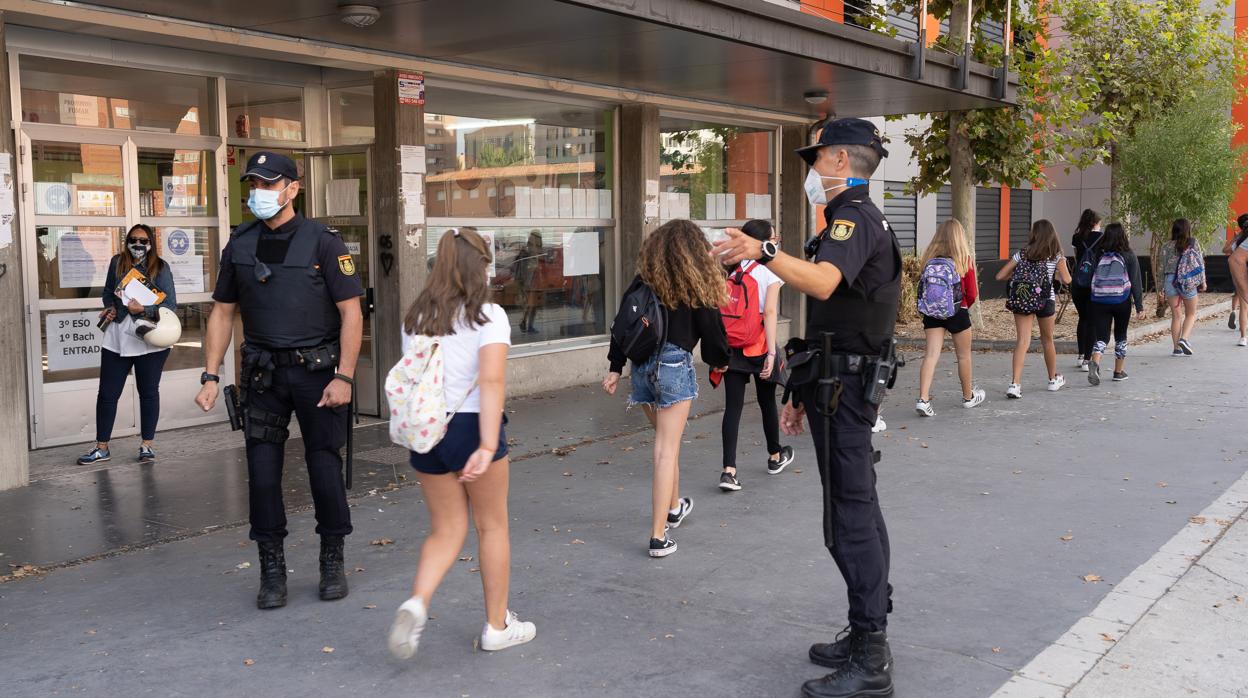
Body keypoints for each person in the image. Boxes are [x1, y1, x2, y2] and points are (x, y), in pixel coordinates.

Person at [713, 118, 899, 698]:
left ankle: (871, 654)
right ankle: (866, 632)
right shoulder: (850, 220)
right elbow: (831, 322)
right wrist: (798, 393)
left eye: (816, 159)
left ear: (842, 160)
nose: (812, 171)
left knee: (849, 515)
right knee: (853, 509)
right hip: (832, 385)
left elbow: (819, 285)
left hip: (846, 391)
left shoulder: (854, 219)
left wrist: (764, 250)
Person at [193, 152, 363, 610]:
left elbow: (351, 313)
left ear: (293, 188)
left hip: (317, 375)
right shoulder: (240, 243)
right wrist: (210, 374)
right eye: (254, 184)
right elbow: (223, 312)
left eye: (269, 185)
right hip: (264, 376)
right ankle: (272, 569)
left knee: (323, 467)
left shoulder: (324, 242)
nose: (259, 193)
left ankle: (332, 559)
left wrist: (344, 375)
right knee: (263, 476)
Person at [387, 228, 535, 661]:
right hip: (472, 427)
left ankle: (417, 602)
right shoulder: (488, 316)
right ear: (480, 266)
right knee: (492, 526)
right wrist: (488, 445)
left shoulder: (415, 317)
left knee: (446, 529)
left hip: (428, 433)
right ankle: (497, 625)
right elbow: (490, 381)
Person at [603, 219, 730, 558]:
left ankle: (674, 506)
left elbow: (621, 322)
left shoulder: (645, 279)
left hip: (642, 368)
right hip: (674, 366)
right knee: (666, 450)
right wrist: (721, 360)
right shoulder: (696, 280)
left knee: (665, 444)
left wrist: (615, 367)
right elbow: (713, 329)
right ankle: (658, 536)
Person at [77, 224, 177, 465]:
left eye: (143, 240)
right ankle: (102, 447)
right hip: (117, 336)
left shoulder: (161, 268)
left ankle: (147, 446)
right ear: (127, 241)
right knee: (108, 394)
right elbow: (108, 292)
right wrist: (111, 307)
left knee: (149, 393)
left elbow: (171, 306)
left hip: (149, 338)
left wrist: (144, 308)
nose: (138, 245)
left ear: (151, 242)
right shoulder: (117, 262)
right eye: (133, 240)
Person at [717, 219, 794, 492]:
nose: (775, 242)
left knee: (733, 408)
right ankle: (775, 456)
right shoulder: (769, 271)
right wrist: (772, 353)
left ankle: (729, 470)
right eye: (774, 238)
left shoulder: (730, 267)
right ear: (763, 242)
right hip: (760, 346)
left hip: (732, 345)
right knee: (766, 402)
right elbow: (770, 313)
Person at [915, 219, 985, 416]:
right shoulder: (964, 258)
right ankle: (968, 397)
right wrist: (962, 307)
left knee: (931, 354)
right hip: (957, 311)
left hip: (931, 312)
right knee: (963, 355)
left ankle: (923, 399)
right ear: (959, 236)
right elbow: (971, 293)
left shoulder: (929, 258)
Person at [996, 219, 1072, 398]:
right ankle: (1053, 379)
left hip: (1023, 299)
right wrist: (1060, 270)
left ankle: (1015, 384)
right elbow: (1067, 280)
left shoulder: (1022, 254)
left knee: (1022, 341)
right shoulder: (1056, 255)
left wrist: (1019, 278)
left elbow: (999, 275)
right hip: (1045, 299)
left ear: (1034, 234)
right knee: (1047, 340)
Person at [1086, 223, 1145, 385]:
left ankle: (1095, 362)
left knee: (1102, 336)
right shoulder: (1129, 255)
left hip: (1099, 300)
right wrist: (1139, 307)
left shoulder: (1099, 253)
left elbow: (1091, 276)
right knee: (1120, 335)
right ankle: (1118, 372)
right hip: (1121, 300)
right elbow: (1135, 282)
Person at [1155, 218, 1207, 356]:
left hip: (1170, 280)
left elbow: (1160, 268)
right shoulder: (1193, 243)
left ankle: (1176, 349)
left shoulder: (1165, 246)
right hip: (1187, 281)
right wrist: (1203, 281)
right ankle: (1184, 339)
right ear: (1187, 229)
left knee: (1176, 316)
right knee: (1190, 314)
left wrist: (1160, 288)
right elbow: (1200, 263)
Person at [1069, 209, 1104, 372]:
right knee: (1092, 320)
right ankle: (1087, 360)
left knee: (1083, 318)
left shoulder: (1076, 237)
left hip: (1077, 282)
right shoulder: (1102, 237)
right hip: (1094, 283)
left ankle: (1081, 355)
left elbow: (1078, 257)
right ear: (1095, 223)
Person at [1221, 214, 1248, 346]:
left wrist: (1234, 239)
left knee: (1243, 305)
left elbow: (1225, 250)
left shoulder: (1240, 239)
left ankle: (1243, 337)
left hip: (1239, 272)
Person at [516, 231, 544, 334]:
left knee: (532, 304)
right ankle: (526, 324)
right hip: (529, 281)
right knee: (531, 304)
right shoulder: (527, 251)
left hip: (534, 279)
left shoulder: (533, 249)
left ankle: (527, 323)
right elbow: (525, 267)